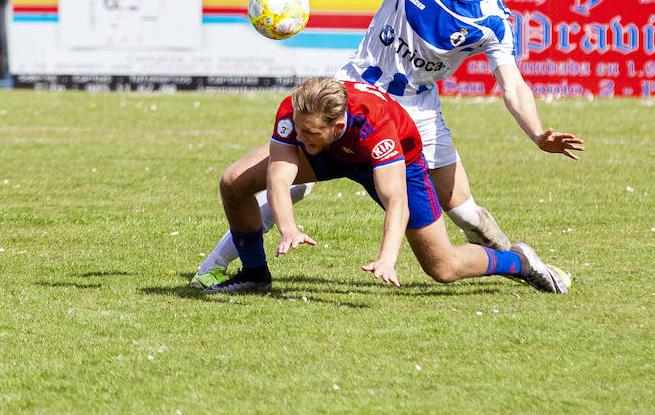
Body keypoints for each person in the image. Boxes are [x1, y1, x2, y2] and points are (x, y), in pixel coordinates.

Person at [193, 0, 584, 286]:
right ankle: (225, 269)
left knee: (464, 212)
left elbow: (512, 83)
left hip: (415, 116)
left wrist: (536, 134)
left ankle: (520, 263)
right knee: (285, 178)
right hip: (352, 94)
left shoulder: (493, 20)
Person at [203, 77, 570, 295]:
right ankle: (254, 274)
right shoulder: (296, 114)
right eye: (296, 129)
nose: (298, 136)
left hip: (399, 164)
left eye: (308, 132)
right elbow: (279, 175)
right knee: (234, 181)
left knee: (444, 268)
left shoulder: (374, 125)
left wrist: (387, 258)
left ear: (338, 122)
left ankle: (518, 261)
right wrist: (288, 229)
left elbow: (396, 200)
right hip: (330, 153)